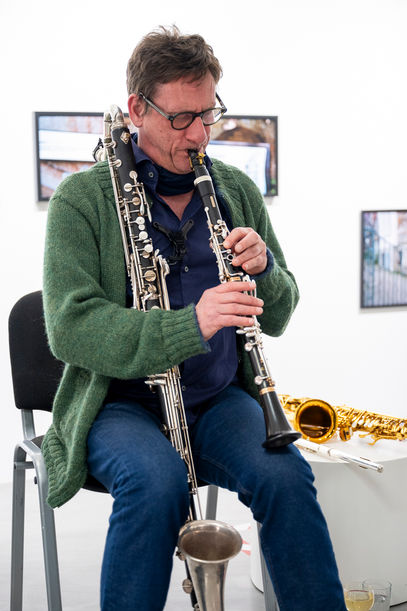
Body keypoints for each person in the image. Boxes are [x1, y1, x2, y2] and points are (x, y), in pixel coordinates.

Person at [42, 25, 346, 611]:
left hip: (214, 399)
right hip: (120, 403)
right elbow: (70, 328)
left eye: (209, 114)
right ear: (137, 109)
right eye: (182, 118)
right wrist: (192, 323)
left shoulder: (234, 189)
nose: (201, 134)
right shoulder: (81, 201)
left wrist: (264, 270)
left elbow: (279, 313)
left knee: (288, 478)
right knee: (154, 485)